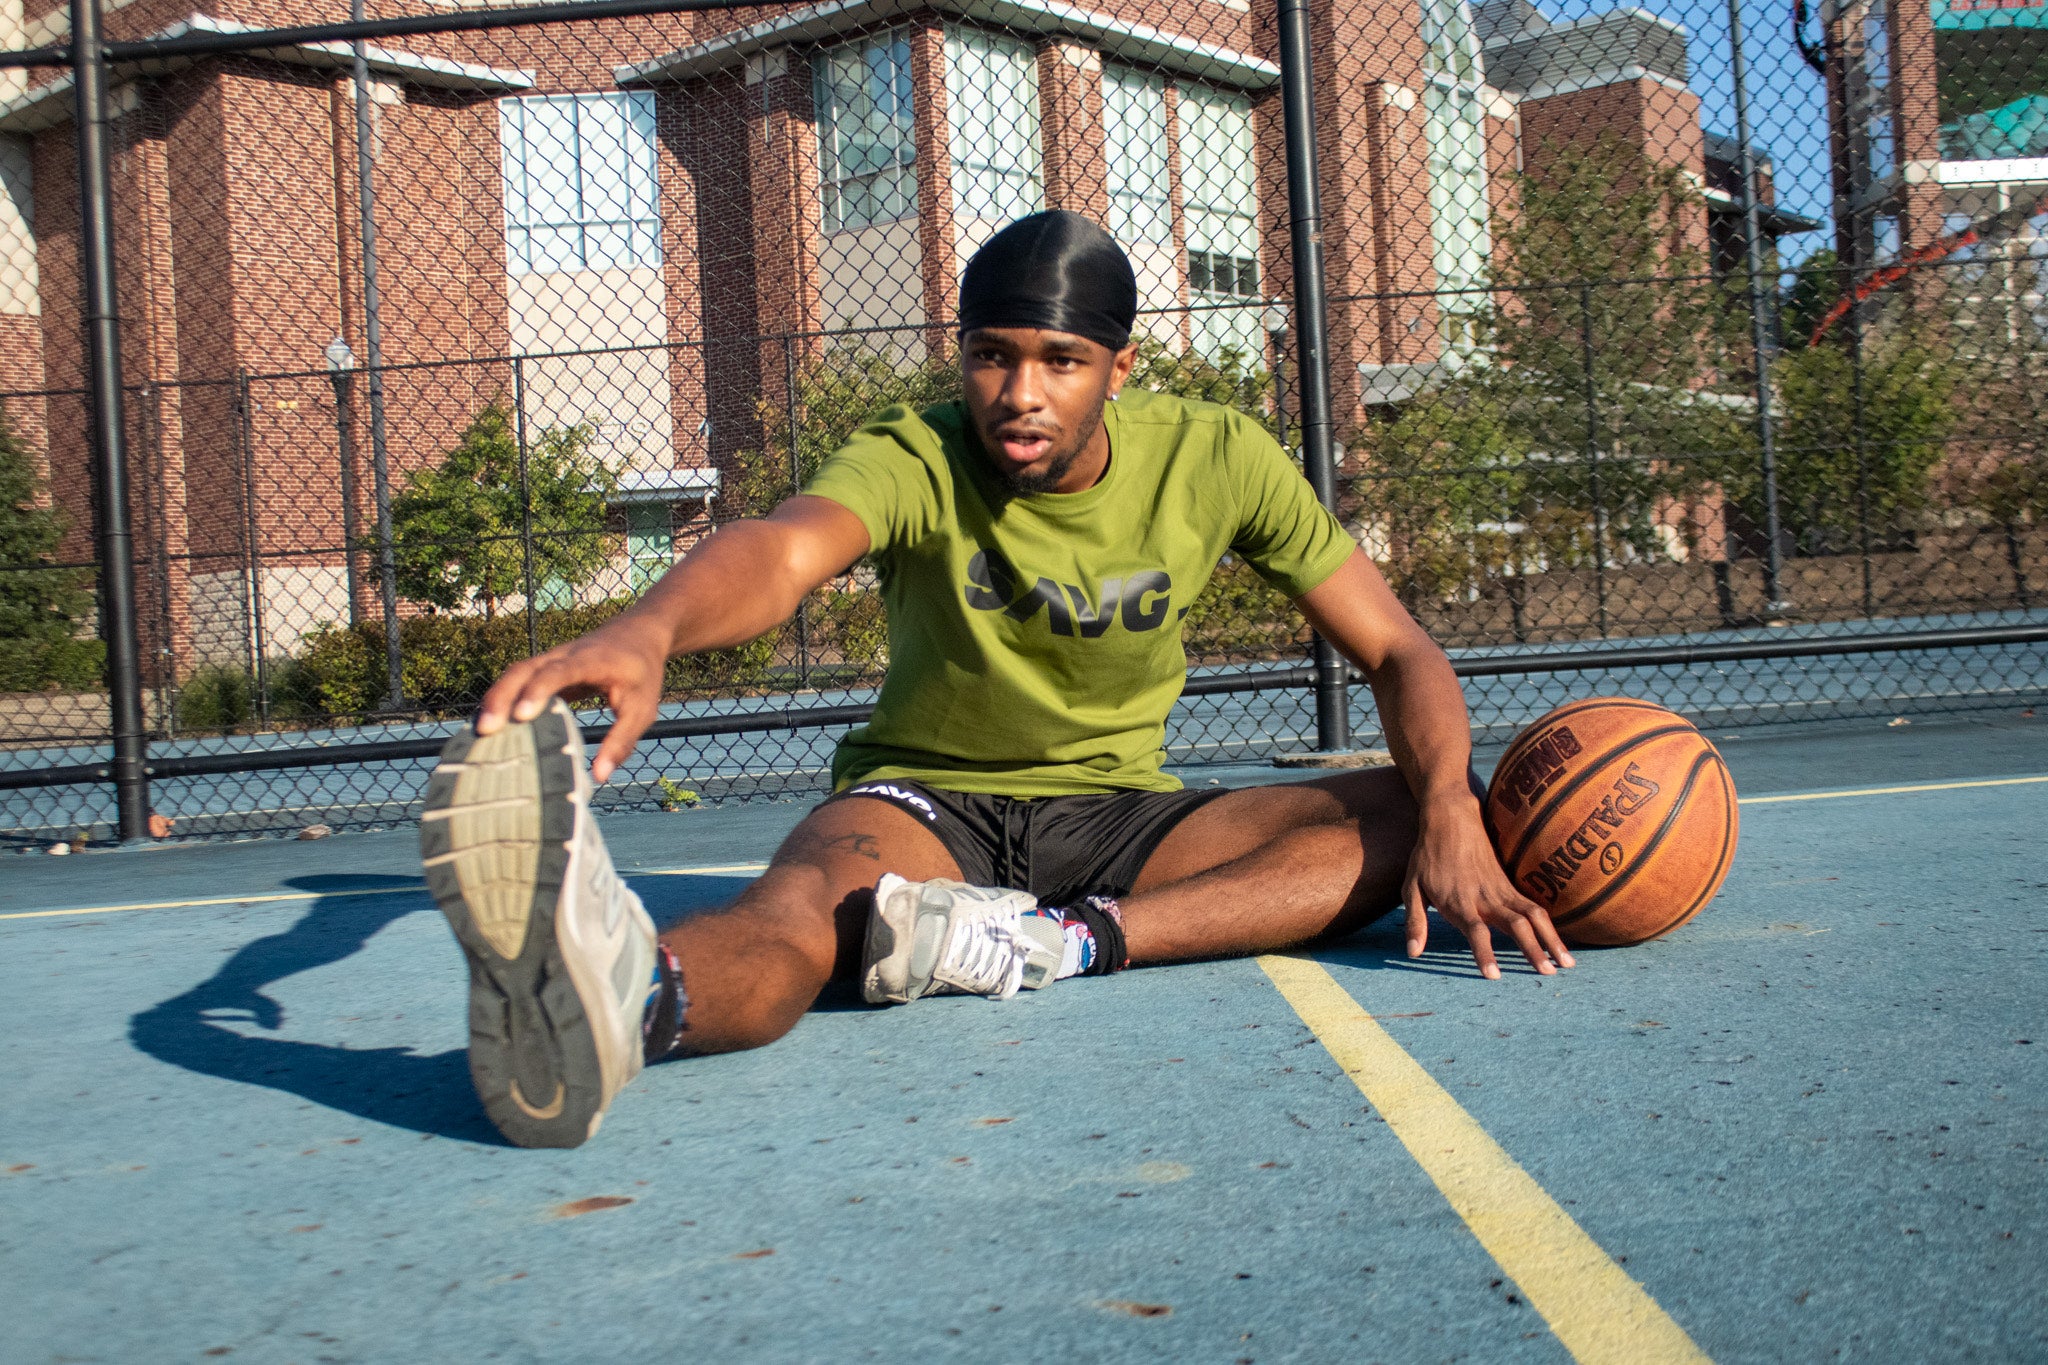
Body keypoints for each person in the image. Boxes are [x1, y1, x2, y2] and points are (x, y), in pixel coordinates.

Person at [420, 211, 1571, 1149]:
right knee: (789, 932)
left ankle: (1052, 942)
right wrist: (652, 625)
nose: (1019, 393)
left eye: (1060, 362)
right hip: (921, 801)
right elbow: (782, 547)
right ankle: (612, 1005)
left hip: (1115, 815)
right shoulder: (914, 452)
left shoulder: (1216, 456)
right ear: (962, 356)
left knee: (1401, 805)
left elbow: (1399, 651)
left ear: (1119, 368)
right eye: (991, 355)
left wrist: (1451, 814)